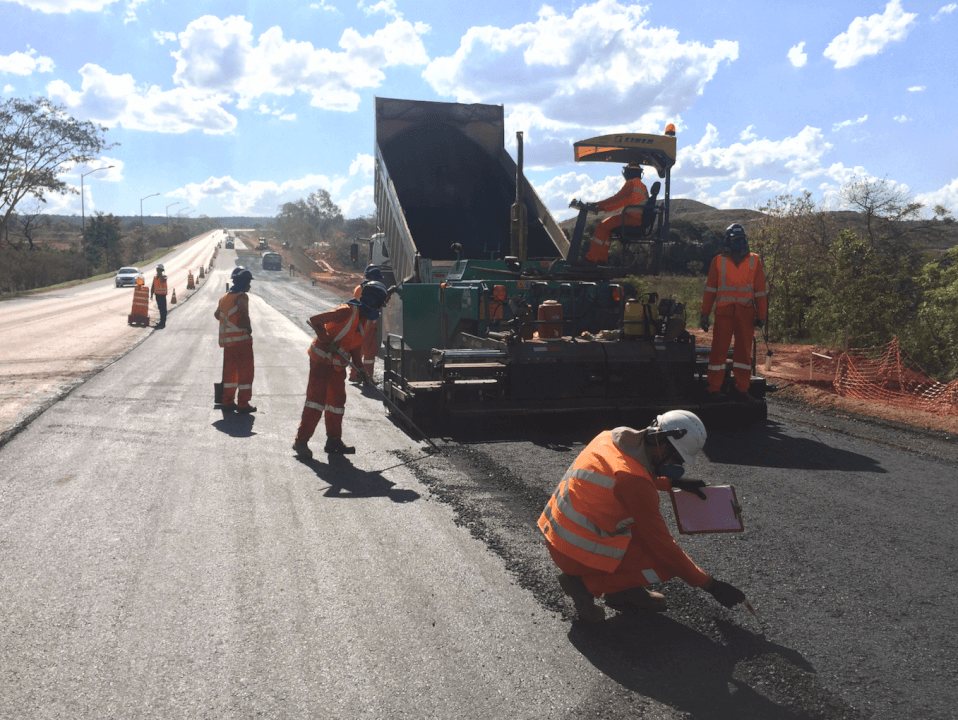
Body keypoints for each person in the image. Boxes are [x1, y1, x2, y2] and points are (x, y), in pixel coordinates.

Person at [538, 410, 747, 622]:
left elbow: (626, 470)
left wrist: (671, 482)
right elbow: (665, 549)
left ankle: (624, 592)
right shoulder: (636, 484)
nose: (678, 466)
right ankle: (585, 586)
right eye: (676, 458)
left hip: (559, 535)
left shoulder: (609, 438)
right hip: (575, 551)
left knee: (636, 527)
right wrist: (710, 585)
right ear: (661, 444)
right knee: (665, 562)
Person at [293, 280, 389, 459]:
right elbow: (316, 320)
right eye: (377, 304)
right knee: (316, 402)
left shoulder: (364, 319)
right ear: (370, 300)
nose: (378, 309)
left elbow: (355, 347)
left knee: (337, 403)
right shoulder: (347, 310)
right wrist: (326, 339)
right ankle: (301, 442)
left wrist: (360, 369)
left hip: (337, 366)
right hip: (321, 361)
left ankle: (333, 441)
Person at [699, 224, 768, 402]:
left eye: (741, 239)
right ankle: (714, 389)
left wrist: (762, 315)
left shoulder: (755, 260)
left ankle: (742, 389)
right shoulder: (718, 261)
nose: (739, 243)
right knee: (718, 352)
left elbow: (760, 291)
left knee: (744, 353)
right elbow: (710, 290)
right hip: (724, 314)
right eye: (735, 240)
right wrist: (704, 314)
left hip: (746, 314)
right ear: (728, 241)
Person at [581, 164, 650, 264]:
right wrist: (600, 208)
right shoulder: (642, 186)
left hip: (631, 218)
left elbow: (616, 198)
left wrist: (597, 205)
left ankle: (590, 259)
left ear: (627, 173)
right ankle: (601, 260)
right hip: (637, 219)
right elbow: (619, 203)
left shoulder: (631, 184)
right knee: (607, 228)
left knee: (602, 226)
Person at [214, 267, 256, 413]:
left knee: (230, 374)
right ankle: (243, 404)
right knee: (245, 374)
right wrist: (248, 330)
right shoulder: (242, 296)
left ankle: (227, 401)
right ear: (243, 282)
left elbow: (216, 315)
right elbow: (244, 315)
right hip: (242, 342)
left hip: (228, 343)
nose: (249, 285)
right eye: (248, 282)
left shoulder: (224, 298)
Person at [349, 265, 386, 383]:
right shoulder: (375, 289)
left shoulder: (358, 289)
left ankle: (354, 375)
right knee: (369, 353)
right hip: (369, 325)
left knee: (358, 351)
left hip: (358, 325)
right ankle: (368, 378)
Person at [150, 264, 168, 328]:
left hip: (162, 296)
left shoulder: (164, 276)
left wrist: (160, 275)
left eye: (158, 270)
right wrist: (151, 294)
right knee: (160, 309)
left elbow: (163, 280)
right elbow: (153, 286)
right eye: (157, 270)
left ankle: (163, 323)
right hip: (157, 295)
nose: (157, 271)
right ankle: (161, 322)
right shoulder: (155, 277)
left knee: (163, 310)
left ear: (161, 270)